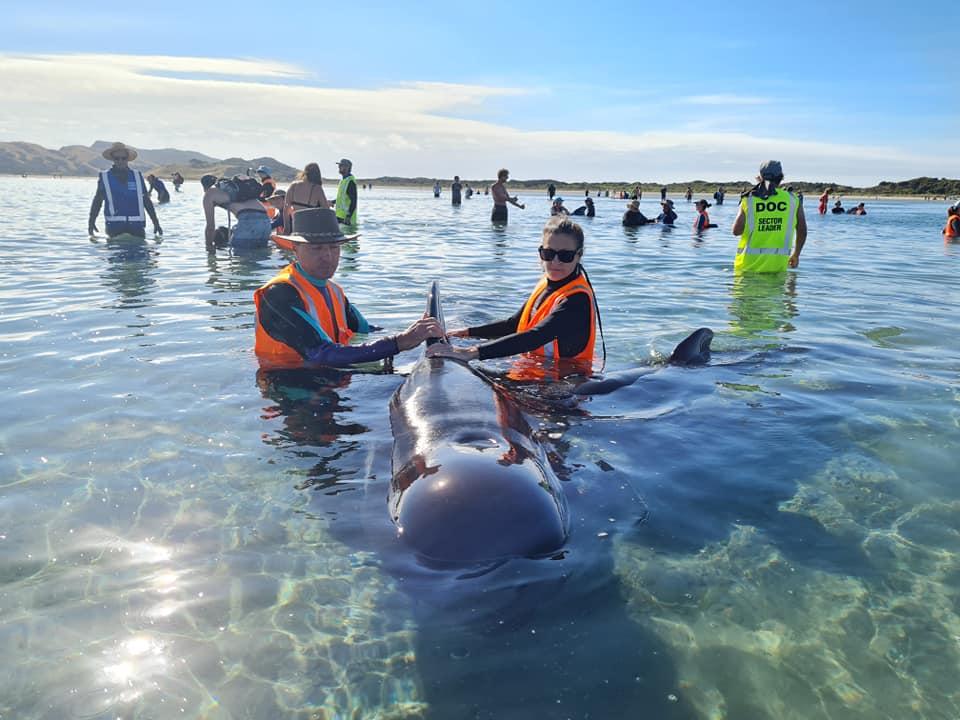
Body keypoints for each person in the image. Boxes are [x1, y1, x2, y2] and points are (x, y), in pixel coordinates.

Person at [254, 208, 442, 369]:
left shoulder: (334, 291)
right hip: (289, 390)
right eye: (316, 248)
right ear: (295, 248)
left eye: (334, 247)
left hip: (331, 379)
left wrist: (420, 332)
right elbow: (320, 353)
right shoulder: (278, 294)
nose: (327, 256)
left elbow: (365, 330)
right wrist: (400, 342)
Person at [425, 217, 597, 373]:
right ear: (540, 253)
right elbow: (513, 325)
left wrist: (470, 353)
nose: (555, 262)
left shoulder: (576, 300)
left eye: (565, 256)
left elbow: (536, 336)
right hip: (537, 370)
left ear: (579, 255)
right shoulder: (547, 283)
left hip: (563, 384)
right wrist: (466, 333)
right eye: (548, 254)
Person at [732, 160, 807, 272]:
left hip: (747, 267)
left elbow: (736, 231)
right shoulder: (793, 200)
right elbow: (802, 230)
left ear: (760, 177)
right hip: (777, 267)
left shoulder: (749, 199)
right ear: (781, 177)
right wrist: (796, 254)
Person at [88, 142, 162, 238]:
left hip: (136, 226)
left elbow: (146, 200)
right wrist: (91, 222)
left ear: (127, 159)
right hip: (114, 227)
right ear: (112, 159)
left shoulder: (137, 176)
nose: (120, 161)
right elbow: (98, 200)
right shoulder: (105, 177)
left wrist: (156, 223)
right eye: (117, 158)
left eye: (123, 158)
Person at [202, 174, 271, 251]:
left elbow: (210, 227)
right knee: (260, 257)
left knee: (241, 261)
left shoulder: (209, 194)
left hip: (248, 221)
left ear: (204, 187)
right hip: (266, 221)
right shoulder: (234, 188)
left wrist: (209, 247)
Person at [283, 162, 330, 233]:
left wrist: (287, 228)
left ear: (304, 173)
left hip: (296, 226)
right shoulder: (317, 188)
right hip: (311, 228)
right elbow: (327, 211)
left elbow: (286, 209)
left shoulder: (293, 186)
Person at [334, 158, 358, 225]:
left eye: (341, 165)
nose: (339, 167)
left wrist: (348, 216)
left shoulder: (350, 181)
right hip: (340, 217)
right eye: (339, 165)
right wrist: (332, 202)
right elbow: (342, 198)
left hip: (347, 220)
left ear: (347, 167)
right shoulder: (343, 180)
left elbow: (353, 201)